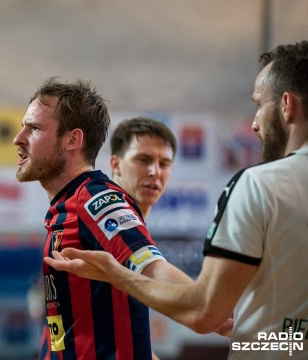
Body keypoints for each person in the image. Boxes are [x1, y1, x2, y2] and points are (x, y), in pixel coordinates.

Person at [45, 41, 308, 359]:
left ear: (286, 105)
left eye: (164, 163)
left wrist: (116, 274)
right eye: (143, 159)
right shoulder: (95, 208)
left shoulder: (258, 184)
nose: (253, 123)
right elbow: (288, 340)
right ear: (114, 164)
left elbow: (204, 312)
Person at [14, 77, 190, 359]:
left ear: (72, 139)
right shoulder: (66, 207)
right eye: (143, 160)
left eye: (34, 128)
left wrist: (212, 310)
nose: (18, 138)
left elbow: (153, 268)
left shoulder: (93, 198)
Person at [109, 116, 177, 218]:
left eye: (163, 163)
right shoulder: (95, 225)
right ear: (116, 165)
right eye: (143, 160)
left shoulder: (134, 229)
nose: (155, 172)